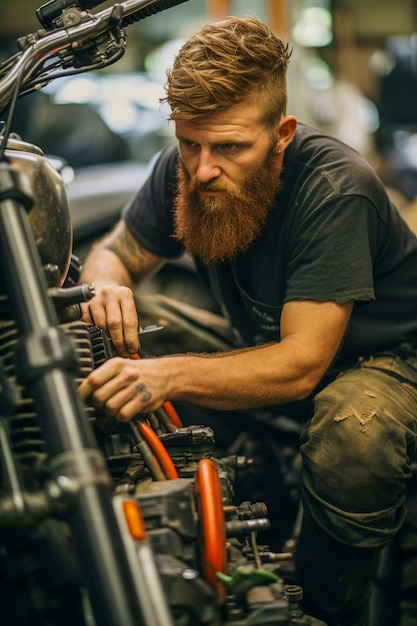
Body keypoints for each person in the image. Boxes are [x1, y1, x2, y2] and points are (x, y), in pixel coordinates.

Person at [77, 15, 417, 626]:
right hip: (264, 344)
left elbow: (299, 367)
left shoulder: (337, 190)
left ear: (282, 133)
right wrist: (106, 285)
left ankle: (321, 610)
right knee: (111, 331)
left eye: (230, 147)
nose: (204, 168)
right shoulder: (187, 166)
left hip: (386, 362)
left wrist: (165, 377)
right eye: (190, 142)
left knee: (353, 437)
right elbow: (117, 251)